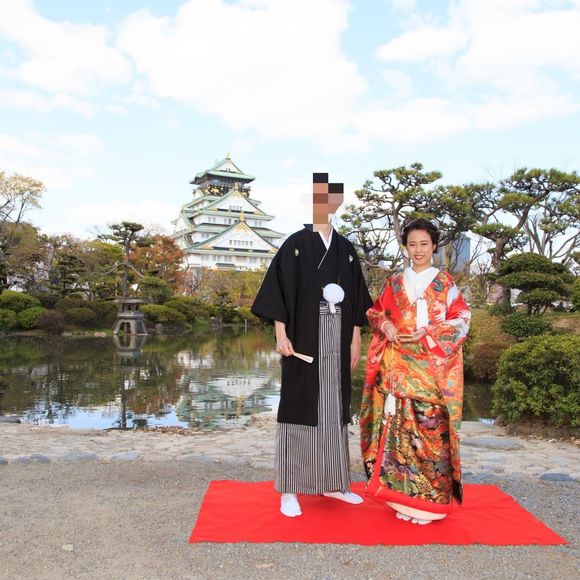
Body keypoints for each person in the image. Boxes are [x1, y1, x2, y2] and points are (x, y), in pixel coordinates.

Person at [251, 173, 372, 518]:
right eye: (319, 198)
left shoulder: (346, 250)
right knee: (298, 407)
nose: (325, 205)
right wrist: (280, 334)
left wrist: (355, 338)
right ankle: (289, 488)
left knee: (334, 408)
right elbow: (278, 291)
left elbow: (357, 300)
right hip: (303, 336)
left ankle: (333, 483)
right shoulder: (295, 244)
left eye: (330, 198)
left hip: (338, 336)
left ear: (337, 203)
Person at [360, 218, 470, 524]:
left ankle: (431, 504)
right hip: (397, 366)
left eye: (424, 244)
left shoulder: (445, 283)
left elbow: (462, 318)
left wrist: (432, 331)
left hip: (431, 369)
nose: (418, 250)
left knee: (430, 431)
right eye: (412, 244)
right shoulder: (395, 282)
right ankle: (404, 499)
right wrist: (385, 324)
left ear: (434, 246)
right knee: (400, 433)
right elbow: (374, 311)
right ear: (406, 248)